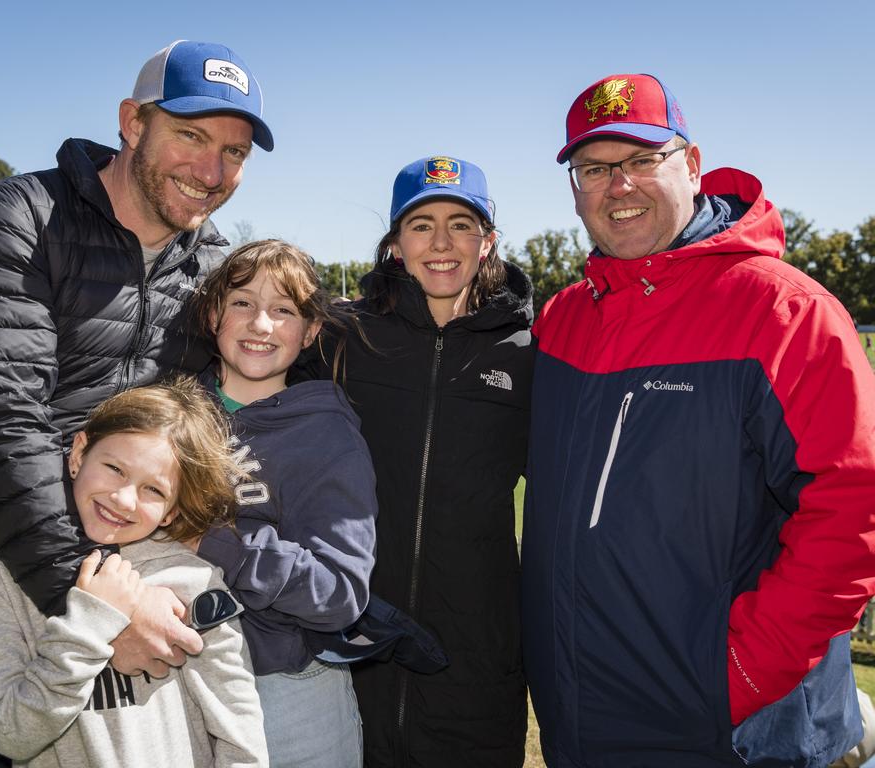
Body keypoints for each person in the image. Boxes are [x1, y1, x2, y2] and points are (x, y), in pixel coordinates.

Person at [0, 39, 273, 766]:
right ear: (131, 122)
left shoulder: (215, 270)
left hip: (115, 621)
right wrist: (94, 603)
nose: (212, 171)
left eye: (236, 152)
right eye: (190, 135)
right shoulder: (17, 220)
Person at [522, 73, 875, 767]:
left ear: (691, 164)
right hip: (580, 719)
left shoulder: (784, 313)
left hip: (731, 733)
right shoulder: (563, 319)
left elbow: (853, 509)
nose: (617, 186)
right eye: (594, 168)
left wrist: (738, 676)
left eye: (641, 160)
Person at [303, 157, 534, 766]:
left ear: (487, 242)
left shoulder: (527, 351)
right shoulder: (342, 337)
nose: (441, 242)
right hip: (352, 633)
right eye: (421, 224)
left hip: (476, 651)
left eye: (461, 224)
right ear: (395, 244)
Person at [0, 380, 267, 767]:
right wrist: (89, 628)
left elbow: (239, 731)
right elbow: (10, 736)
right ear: (78, 454)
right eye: (114, 468)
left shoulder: (194, 580)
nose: (124, 499)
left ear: (172, 510)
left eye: (154, 491)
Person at [192, 240, 378, 768]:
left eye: (283, 310)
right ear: (213, 313)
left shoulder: (327, 436)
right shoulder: (169, 413)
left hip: (287, 690)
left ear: (310, 330)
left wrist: (211, 541)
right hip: (178, 678)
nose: (261, 325)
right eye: (243, 303)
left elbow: (340, 593)